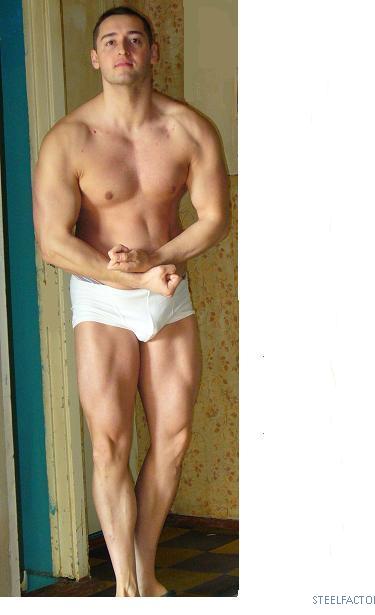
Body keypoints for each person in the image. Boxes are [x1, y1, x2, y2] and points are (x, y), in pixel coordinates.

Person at [32, 5, 230, 598]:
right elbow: (53, 243)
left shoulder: (189, 129)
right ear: (95, 57)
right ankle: (126, 588)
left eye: (135, 40)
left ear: (152, 52)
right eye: (111, 41)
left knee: (173, 438)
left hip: (166, 290)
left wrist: (155, 260)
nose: (124, 50)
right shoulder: (69, 139)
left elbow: (214, 218)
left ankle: (144, 567)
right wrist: (131, 279)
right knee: (110, 441)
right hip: (102, 298)